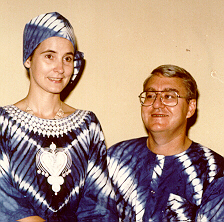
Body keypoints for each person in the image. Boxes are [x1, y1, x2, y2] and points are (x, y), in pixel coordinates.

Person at [0, 12, 117, 222]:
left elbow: (100, 203)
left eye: (68, 58)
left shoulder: (87, 125)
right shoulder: (3, 123)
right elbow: (5, 201)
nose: (60, 68)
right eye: (49, 56)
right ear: (28, 59)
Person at [107, 64, 224, 221]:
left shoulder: (214, 172)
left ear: (190, 108)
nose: (156, 104)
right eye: (150, 96)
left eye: (169, 96)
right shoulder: (116, 158)